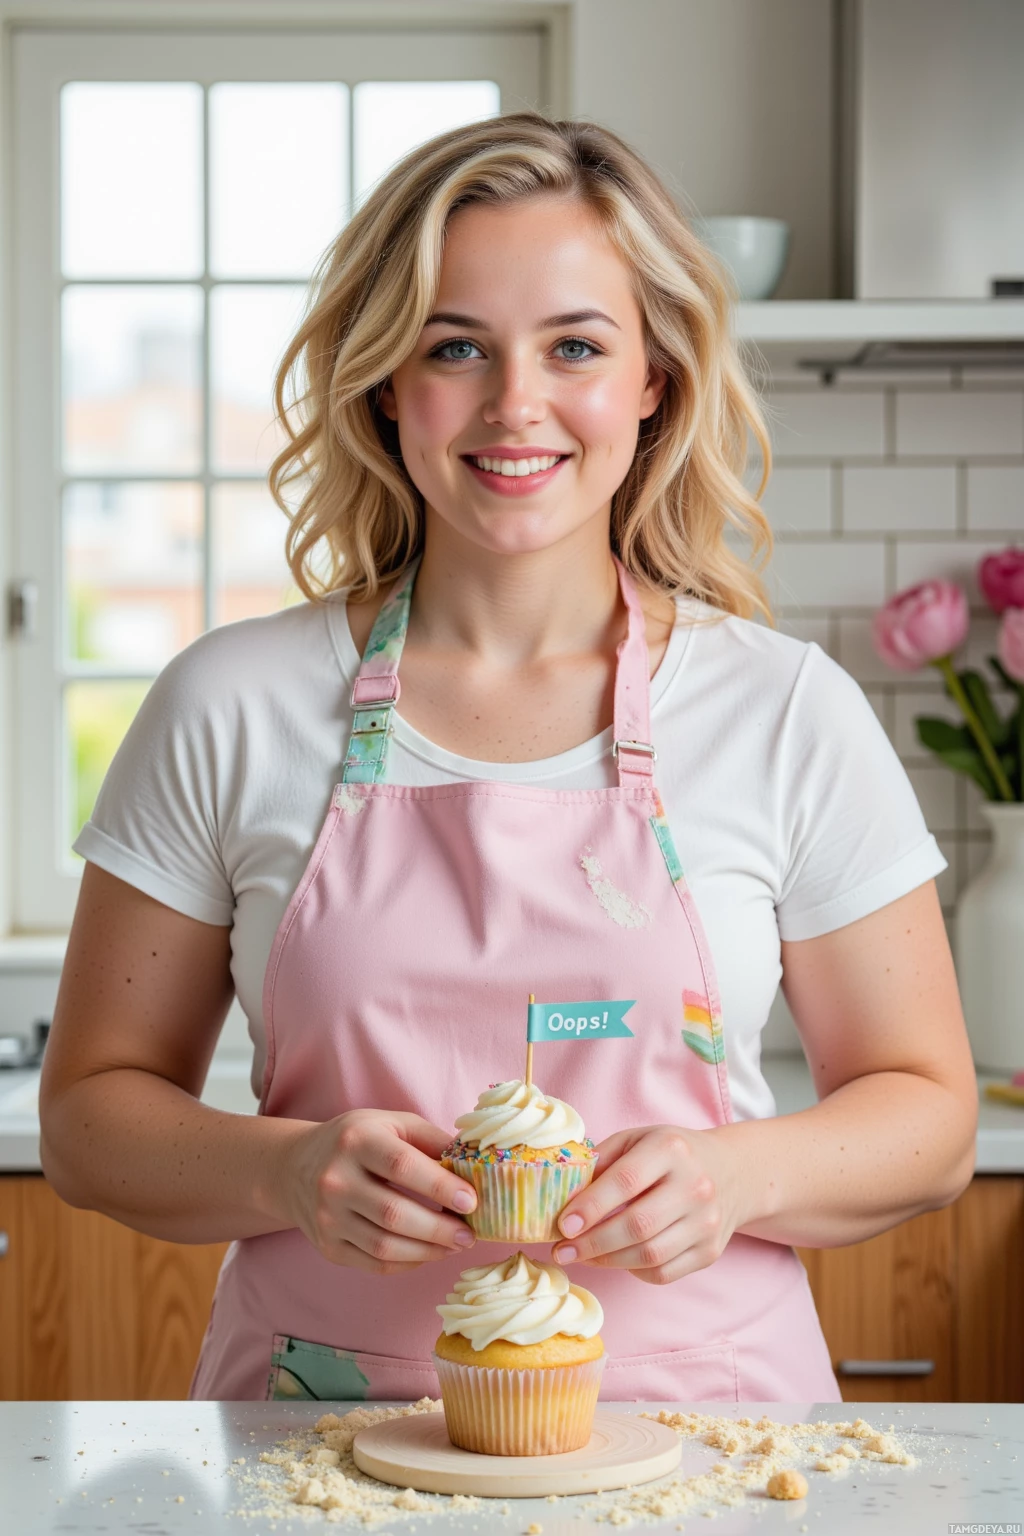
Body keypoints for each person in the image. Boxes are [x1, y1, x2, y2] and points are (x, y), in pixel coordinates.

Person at [40, 114, 977, 1403]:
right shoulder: (231, 702)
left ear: (654, 378)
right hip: (317, 1447)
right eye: (456, 347)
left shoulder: (783, 710)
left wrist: (739, 1175)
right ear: (384, 381)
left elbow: (929, 1114)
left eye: (576, 346)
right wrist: (282, 1172)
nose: (514, 405)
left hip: (713, 1444)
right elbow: (90, 1118)